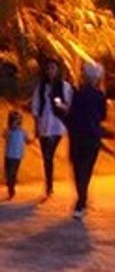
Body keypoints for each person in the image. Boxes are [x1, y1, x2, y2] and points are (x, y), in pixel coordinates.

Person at [65, 62, 107, 219]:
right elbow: (103, 116)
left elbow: (70, 112)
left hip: (77, 134)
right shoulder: (100, 95)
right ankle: (82, 198)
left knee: (76, 166)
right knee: (87, 167)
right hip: (92, 135)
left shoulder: (76, 93)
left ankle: (81, 198)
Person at [29, 58, 72, 200]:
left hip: (57, 125)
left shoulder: (64, 86)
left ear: (58, 70)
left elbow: (69, 106)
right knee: (47, 157)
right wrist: (36, 127)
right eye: (48, 68)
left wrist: (60, 105)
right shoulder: (41, 87)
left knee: (49, 153)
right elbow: (35, 107)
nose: (50, 71)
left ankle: (49, 186)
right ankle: (49, 185)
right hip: (43, 125)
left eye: (53, 68)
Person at [4, 110, 27, 200]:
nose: (16, 122)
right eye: (14, 120)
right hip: (8, 155)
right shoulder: (8, 131)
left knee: (12, 173)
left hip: (17, 156)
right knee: (8, 173)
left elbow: (27, 140)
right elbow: (5, 136)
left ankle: (11, 188)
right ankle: (10, 185)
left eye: (18, 120)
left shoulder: (23, 131)